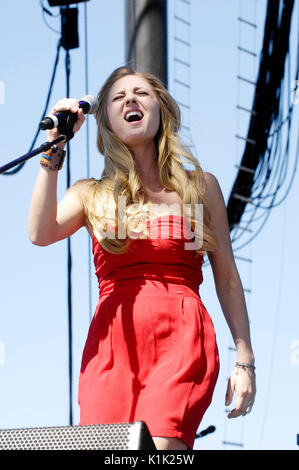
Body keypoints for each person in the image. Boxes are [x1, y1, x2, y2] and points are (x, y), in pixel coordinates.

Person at [28, 66, 256, 450]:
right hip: (111, 345)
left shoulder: (198, 190)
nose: (130, 100)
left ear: (160, 109)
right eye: (118, 97)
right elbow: (41, 232)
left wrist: (244, 360)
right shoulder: (92, 194)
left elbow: (227, 276)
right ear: (107, 124)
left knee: (158, 448)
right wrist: (55, 148)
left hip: (181, 336)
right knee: (108, 451)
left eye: (140, 93)